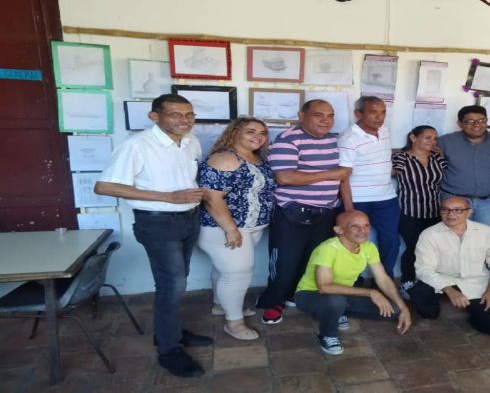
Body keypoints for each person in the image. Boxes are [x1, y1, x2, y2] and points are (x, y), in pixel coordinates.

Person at [94, 94, 211, 378]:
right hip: (158, 223)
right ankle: (169, 350)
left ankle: (169, 332)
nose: (184, 120)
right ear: (154, 117)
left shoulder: (191, 141)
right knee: (172, 285)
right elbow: (104, 187)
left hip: (189, 219)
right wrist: (168, 197)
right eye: (175, 114)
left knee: (177, 282)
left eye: (189, 114)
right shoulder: (137, 145)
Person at [256, 100, 352, 325]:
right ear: (301, 116)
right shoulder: (287, 140)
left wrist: (349, 210)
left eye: (330, 115)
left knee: (314, 259)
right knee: (285, 261)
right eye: (319, 115)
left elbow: (343, 177)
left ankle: (297, 295)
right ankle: (274, 301)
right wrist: (331, 174)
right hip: (292, 212)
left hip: (327, 212)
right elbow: (285, 177)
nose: (325, 120)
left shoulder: (333, 140)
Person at [197, 117, 276, 341]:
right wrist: (231, 229)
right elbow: (211, 197)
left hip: (249, 227)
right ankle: (234, 323)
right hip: (224, 228)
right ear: (235, 133)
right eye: (250, 131)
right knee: (237, 274)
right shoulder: (225, 158)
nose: (258, 137)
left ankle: (220, 305)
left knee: (225, 270)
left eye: (262, 133)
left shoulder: (256, 157)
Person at [294, 210, 412, 355]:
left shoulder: (369, 247)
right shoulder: (328, 249)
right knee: (335, 301)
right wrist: (371, 292)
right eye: (355, 226)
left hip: (342, 294)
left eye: (366, 225)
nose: (363, 230)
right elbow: (324, 287)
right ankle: (327, 335)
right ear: (339, 230)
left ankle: (336, 312)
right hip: (309, 295)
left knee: (394, 310)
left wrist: (404, 308)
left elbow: (383, 278)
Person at [409, 196, 490, 335]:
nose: (450, 214)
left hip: (474, 282)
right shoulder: (429, 234)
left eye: (457, 210)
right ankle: (436, 305)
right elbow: (424, 270)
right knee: (424, 298)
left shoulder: (485, 232)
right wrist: (450, 291)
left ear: (469, 212)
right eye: (445, 210)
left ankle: (474, 309)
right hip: (442, 279)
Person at [338, 96, 400, 277]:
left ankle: (384, 280)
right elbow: (343, 176)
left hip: (386, 198)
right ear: (358, 114)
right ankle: (352, 280)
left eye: (383, 112)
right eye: (373, 112)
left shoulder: (384, 130)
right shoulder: (348, 139)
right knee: (352, 240)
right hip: (359, 199)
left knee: (391, 241)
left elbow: (380, 155)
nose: (380, 117)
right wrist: (349, 209)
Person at [437, 105, 490, 235]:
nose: (477, 125)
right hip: (453, 201)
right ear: (460, 123)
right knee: (453, 240)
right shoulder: (444, 142)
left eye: (482, 120)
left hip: (488, 203)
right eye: (470, 121)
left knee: (489, 240)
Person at [391, 125, 447, 295]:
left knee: (434, 248)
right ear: (413, 138)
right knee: (414, 247)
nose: (433, 142)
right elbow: (387, 171)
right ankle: (407, 281)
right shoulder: (402, 157)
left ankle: (429, 282)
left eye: (435, 138)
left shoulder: (437, 158)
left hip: (434, 211)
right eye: (428, 137)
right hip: (409, 211)